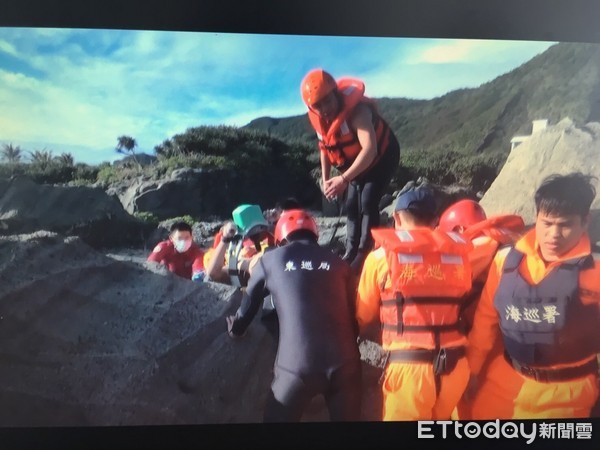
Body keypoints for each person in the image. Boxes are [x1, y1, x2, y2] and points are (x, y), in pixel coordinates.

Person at [466, 172, 600, 419]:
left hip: (566, 393)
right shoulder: (505, 260)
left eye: (566, 225)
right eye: (547, 223)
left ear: (585, 222)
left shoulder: (596, 270)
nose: (554, 235)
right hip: (504, 380)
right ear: (536, 218)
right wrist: (471, 371)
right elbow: (486, 320)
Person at [226, 209, 362, 422]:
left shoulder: (270, 260)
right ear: (315, 234)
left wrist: (236, 328)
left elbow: (249, 305)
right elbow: (353, 317)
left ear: (280, 237)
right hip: (345, 364)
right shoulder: (339, 264)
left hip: (297, 367)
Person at [356, 187, 474, 421]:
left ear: (397, 218)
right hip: (456, 367)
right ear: (435, 220)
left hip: (410, 371)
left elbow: (363, 313)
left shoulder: (380, 257)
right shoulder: (459, 255)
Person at [301, 68, 400, 275]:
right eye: (318, 105)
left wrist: (344, 179)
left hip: (382, 156)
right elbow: (325, 149)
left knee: (367, 200)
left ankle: (365, 252)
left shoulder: (358, 112)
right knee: (351, 205)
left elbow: (370, 149)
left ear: (336, 94)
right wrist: (326, 179)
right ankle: (350, 250)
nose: (324, 108)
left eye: (327, 100)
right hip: (356, 164)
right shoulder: (321, 121)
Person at [437, 198, 526, 419]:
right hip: (520, 349)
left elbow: (484, 323)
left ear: (459, 229)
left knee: (471, 407)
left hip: (491, 348)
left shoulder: (478, 249)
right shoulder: (513, 242)